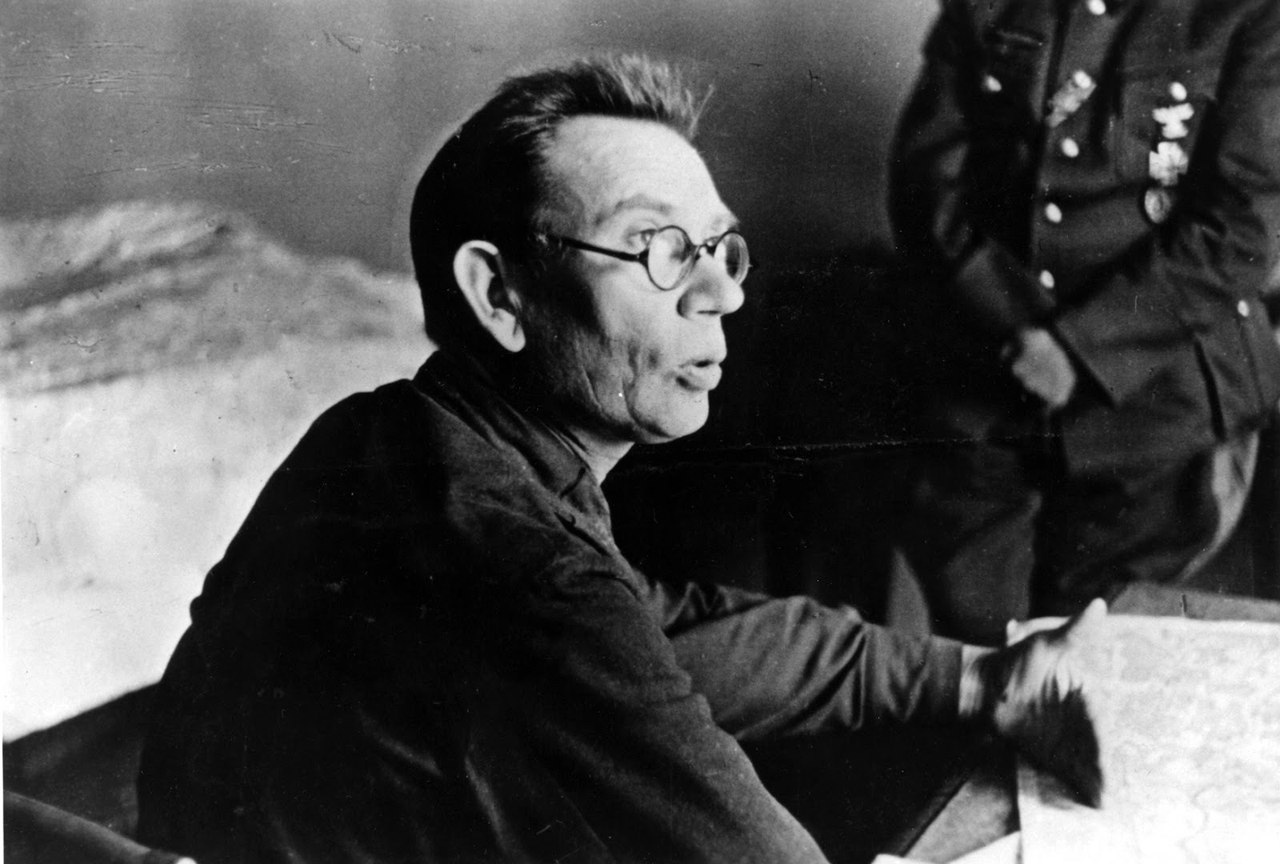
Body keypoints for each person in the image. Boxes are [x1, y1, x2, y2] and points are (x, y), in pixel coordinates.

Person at [137, 55, 1104, 864]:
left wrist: (978, 679)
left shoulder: (383, 434)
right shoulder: (523, 570)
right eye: (657, 246)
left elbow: (670, 635)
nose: (721, 294)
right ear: (500, 295)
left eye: (720, 248)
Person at [889, 0, 1280, 644]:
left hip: (1158, 401)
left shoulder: (1247, 14)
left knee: (1110, 643)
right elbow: (926, 184)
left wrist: (1079, 346)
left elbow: (1241, 228)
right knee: (975, 639)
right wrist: (1018, 327)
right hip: (991, 377)